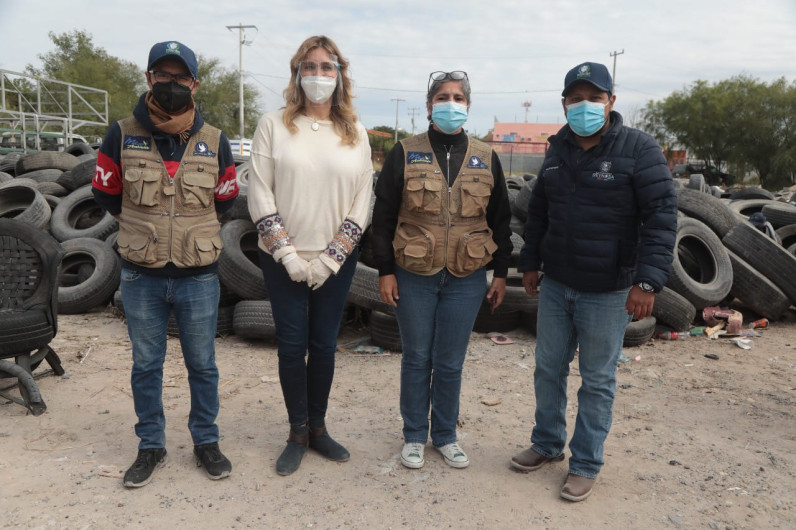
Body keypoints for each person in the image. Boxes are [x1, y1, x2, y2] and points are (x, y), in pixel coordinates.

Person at [510, 62, 677, 501]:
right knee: (548, 368)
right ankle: (547, 444)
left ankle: (585, 462)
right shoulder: (557, 149)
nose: (585, 105)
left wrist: (648, 282)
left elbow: (662, 218)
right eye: (576, 98)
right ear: (564, 103)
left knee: (597, 379)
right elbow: (539, 213)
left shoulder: (639, 149)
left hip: (608, 290)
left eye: (595, 97)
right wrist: (530, 262)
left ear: (611, 102)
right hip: (558, 284)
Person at [92, 41, 239, 487]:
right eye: (163, 76)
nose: (171, 85)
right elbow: (106, 193)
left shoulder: (215, 140)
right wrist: (146, 229)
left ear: (194, 84)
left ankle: (206, 442)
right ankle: (150, 446)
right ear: (148, 78)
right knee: (146, 366)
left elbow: (226, 200)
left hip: (199, 277)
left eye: (180, 78)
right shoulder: (121, 133)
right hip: (141, 276)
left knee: (204, 366)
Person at [371, 70, 512, 470]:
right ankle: (415, 434)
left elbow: (500, 220)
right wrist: (385, 271)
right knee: (416, 357)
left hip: (467, 276)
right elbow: (381, 217)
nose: (451, 103)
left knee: (450, 361)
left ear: (468, 105)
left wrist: (500, 273)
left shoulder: (486, 156)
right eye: (443, 97)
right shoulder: (404, 152)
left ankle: (445, 436)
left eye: (458, 97)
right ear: (430, 103)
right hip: (413, 272)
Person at [247, 35, 373, 476]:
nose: (319, 75)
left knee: (323, 346)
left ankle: (318, 428)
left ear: (340, 76)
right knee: (291, 346)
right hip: (282, 259)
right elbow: (259, 190)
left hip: (335, 262)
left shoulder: (355, 133)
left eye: (327, 67)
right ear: (297, 74)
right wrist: (287, 254)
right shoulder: (273, 125)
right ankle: (296, 431)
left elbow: (363, 198)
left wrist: (331, 258)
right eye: (310, 67)